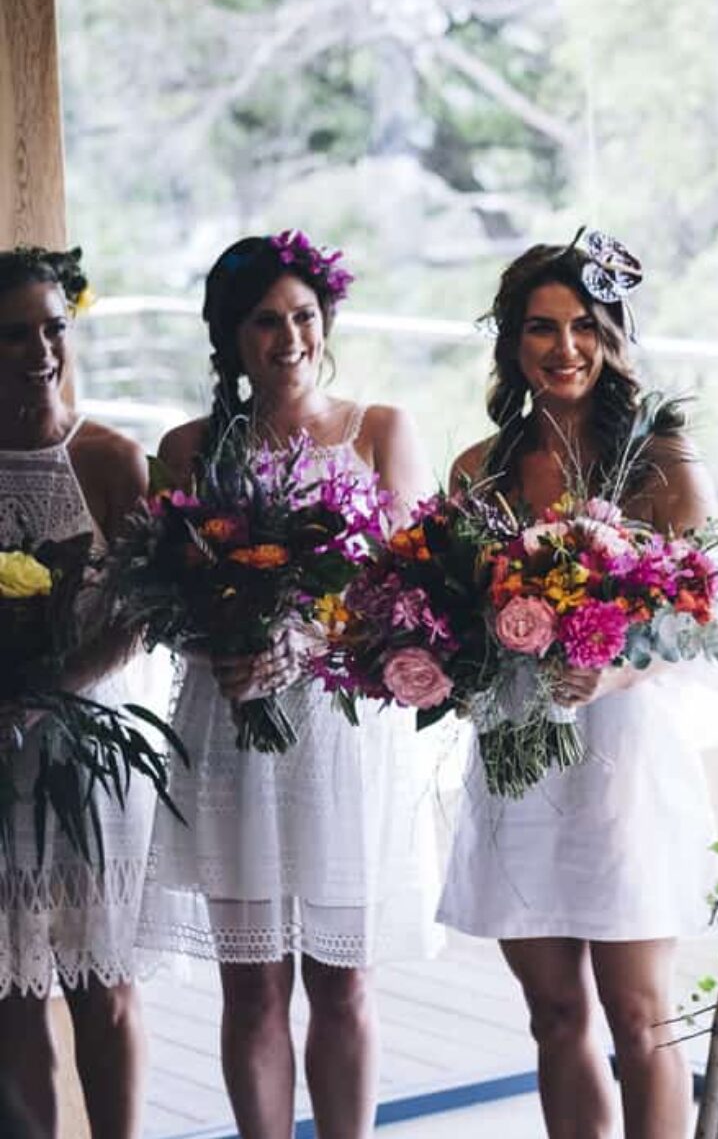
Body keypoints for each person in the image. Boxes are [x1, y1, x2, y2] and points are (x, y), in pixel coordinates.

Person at [137, 233, 442, 1139]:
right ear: (230, 337)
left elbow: (415, 589)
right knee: (253, 984)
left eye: (304, 316)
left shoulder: (379, 429)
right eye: (265, 320)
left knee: (342, 979)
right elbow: (161, 595)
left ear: (327, 322)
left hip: (342, 732)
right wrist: (220, 647)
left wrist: (306, 636)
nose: (289, 337)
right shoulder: (189, 448)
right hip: (232, 730)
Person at [435, 236, 718, 1139]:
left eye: (585, 329)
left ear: (612, 337)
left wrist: (617, 670)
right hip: (519, 749)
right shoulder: (477, 470)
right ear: (512, 345)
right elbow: (450, 613)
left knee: (639, 1015)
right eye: (542, 329)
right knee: (554, 1014)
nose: (565, 349)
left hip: (620, 754)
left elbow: (700, 623)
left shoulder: (663, 463)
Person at [0, 247, 155, 1139]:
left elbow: (138, 616)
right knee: (11, 984)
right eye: (14, 333)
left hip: (93, 750)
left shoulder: (108, 457)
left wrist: (47, 690)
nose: (39, 350)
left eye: (53, 327)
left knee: (104, 981)